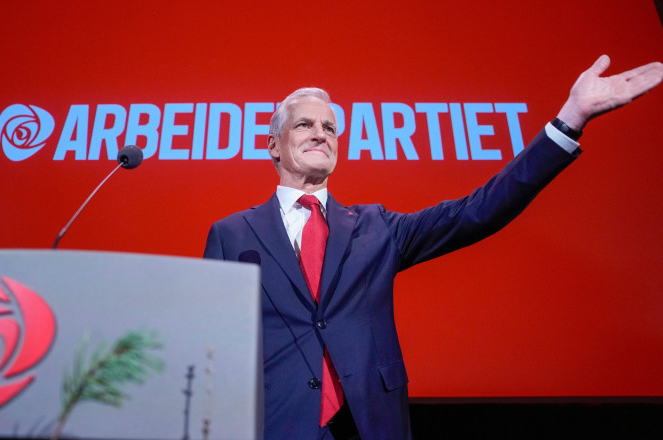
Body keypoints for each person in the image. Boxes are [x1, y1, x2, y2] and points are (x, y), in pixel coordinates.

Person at [203, 55, 662, 440]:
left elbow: (479, 210)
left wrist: (570, 120)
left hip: (370, 424)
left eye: (330, 127)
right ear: (274, 147)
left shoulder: (375, 227)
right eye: (304, 124)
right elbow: (211, 348)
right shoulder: (232, 234)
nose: (321, 133)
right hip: (275, 424)